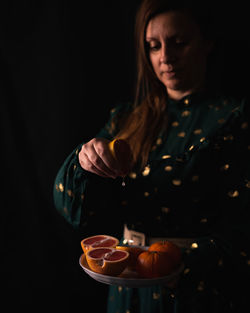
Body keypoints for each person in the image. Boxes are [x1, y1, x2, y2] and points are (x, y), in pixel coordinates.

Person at [53, 0, 250, 312]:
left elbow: (244, 225)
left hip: (197, 295)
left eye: (179, 43)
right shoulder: (128, 119)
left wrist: (187, 263)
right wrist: (84, 161)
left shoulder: (234, 119)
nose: (165, 58)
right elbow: (77, 211)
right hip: (127, 290)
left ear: (207, 42)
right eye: (153, 46)